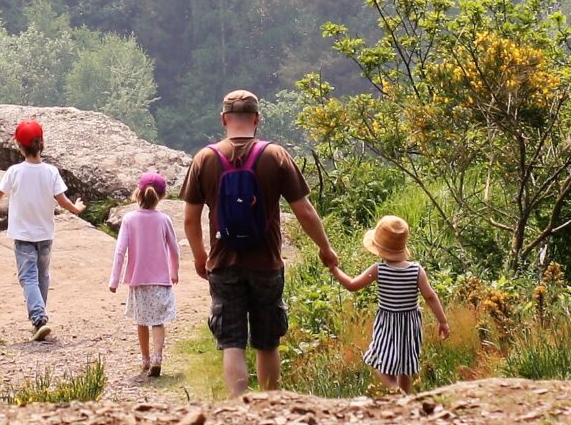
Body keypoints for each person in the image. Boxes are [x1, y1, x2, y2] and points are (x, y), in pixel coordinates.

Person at [180, 89, 342, 396]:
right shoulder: (275, 155)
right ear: (256, 119)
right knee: (267, 341)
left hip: (224, 263)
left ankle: (239, 407)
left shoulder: (205, 158)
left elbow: (190, 218)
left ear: (224, 119)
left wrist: (200, 256)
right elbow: (305, 211)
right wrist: (325, 247)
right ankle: (269, 405)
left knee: (232, 341)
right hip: (266, 263)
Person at [330, 214, 449, 394]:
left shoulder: (379, 269)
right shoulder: (417, 270)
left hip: (388, 323)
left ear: (378, 247)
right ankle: (406, 397)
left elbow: (352, 285)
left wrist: (334, 269)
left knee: (379, 362)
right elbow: (430, 296)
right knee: (404, 365)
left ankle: (397, 392)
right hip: (410, 324)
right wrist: (443, 321)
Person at [0, 118, 82, 341]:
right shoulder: (51, 171)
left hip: (23, 236)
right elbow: (62, 200)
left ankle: (39, 318)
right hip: (45, 235)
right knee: (42, 275)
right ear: (41, 143)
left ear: (19, 146)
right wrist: (76, 208)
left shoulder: (14, 171)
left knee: (28, 278)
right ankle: (39, 319)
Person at [108, 171, 181, 378]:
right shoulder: (164, 219)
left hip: (138, 280)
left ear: (138, 193)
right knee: (158, 321)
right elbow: (174, 249)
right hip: (161, 280)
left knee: (141, 321)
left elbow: (120, 251)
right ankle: (158, 357)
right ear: (161, 195)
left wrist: (114, 280)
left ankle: (145, 359)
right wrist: (174, 271)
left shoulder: (129, 219)